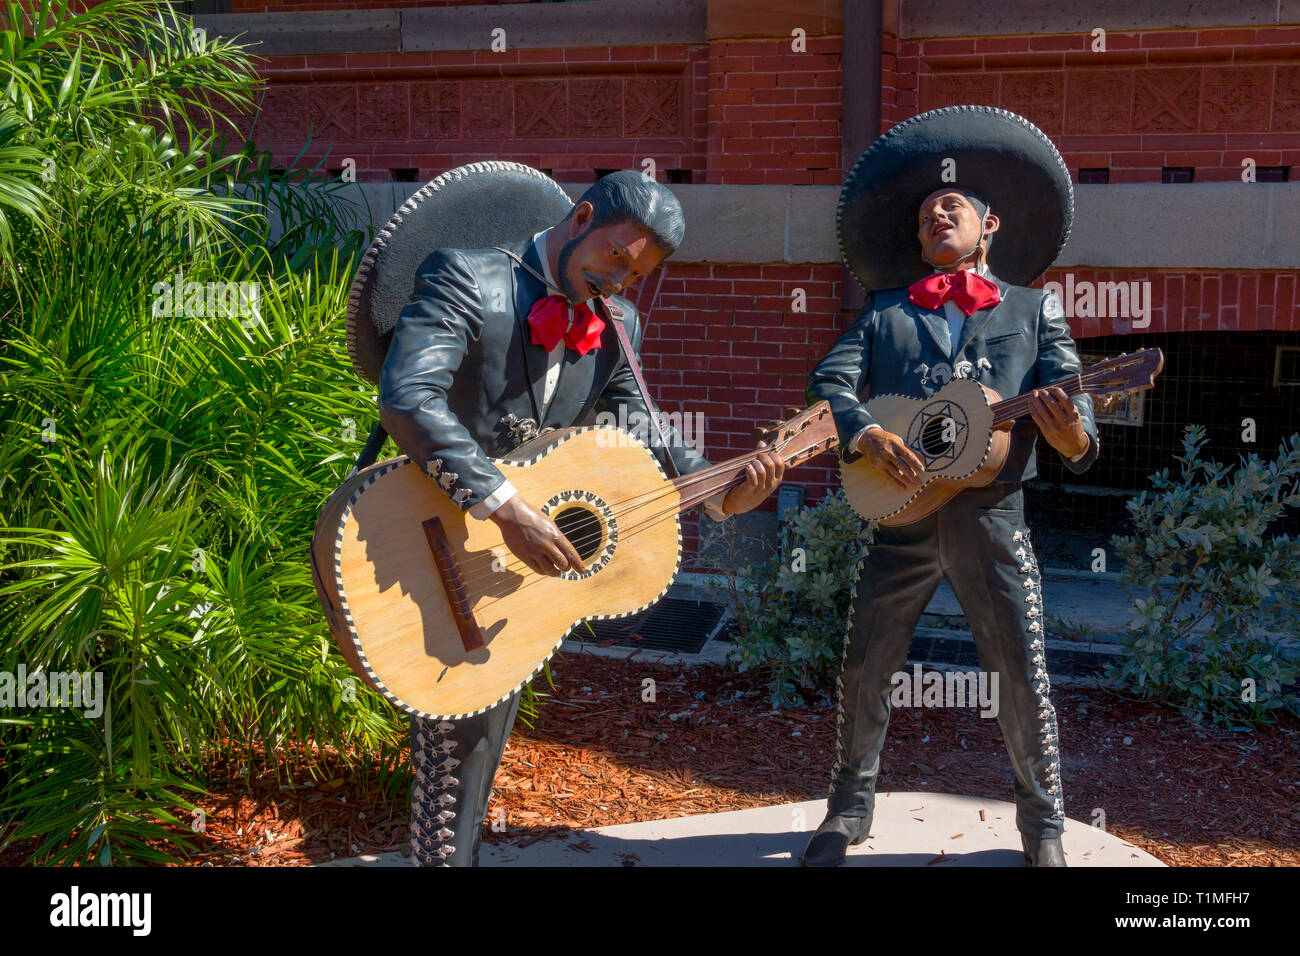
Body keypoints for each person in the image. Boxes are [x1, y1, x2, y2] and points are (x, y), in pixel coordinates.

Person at [378, 169, 785, 866]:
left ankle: (451, 856)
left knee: (477, 739)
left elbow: (643, 428)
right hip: (435, 533)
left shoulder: (617, 323)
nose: (623, 278)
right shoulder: (467, 276)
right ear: (581, 217)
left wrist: (722, 493)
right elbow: (409, 397)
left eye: (639, 271)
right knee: (460, 742)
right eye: (617, 256)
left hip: (515, 573)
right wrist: (505, 508)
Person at [803, 106, 1099, 867]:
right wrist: (864, 431)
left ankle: (1043, 828)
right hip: (900, 513)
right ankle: (848, 807)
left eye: (954, 205)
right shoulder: (886, 312)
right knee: (866, 660)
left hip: (991, 515)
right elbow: (831, 383)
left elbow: (1078, 408)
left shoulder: (1034, 311)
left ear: (990, 224)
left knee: (1020, 671)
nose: (938, 212)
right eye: (928, 211)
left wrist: (1070, 430)